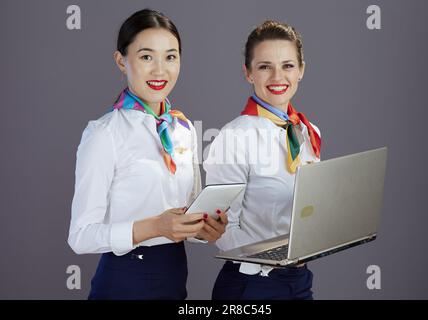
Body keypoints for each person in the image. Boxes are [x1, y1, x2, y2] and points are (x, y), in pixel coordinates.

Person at [68, 9, 227, 300]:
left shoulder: (184, 129)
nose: (159, 71)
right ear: (121, 61)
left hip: (174, 278)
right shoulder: (105, 133)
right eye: (145, 57)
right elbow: (80, 237)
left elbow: (187, 214)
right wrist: (155, 226)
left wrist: (204, 228)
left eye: (170, 56)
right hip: (123, 281)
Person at [204, 20, 321, 300]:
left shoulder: (308, 132)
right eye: (265, 66)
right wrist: (271, 258)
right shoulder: (233, 136)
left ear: (301, 70)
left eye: (288, 66)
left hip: (299, 278)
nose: (277, 76)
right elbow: (221, 228)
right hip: (252, 284)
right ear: (248, 73)